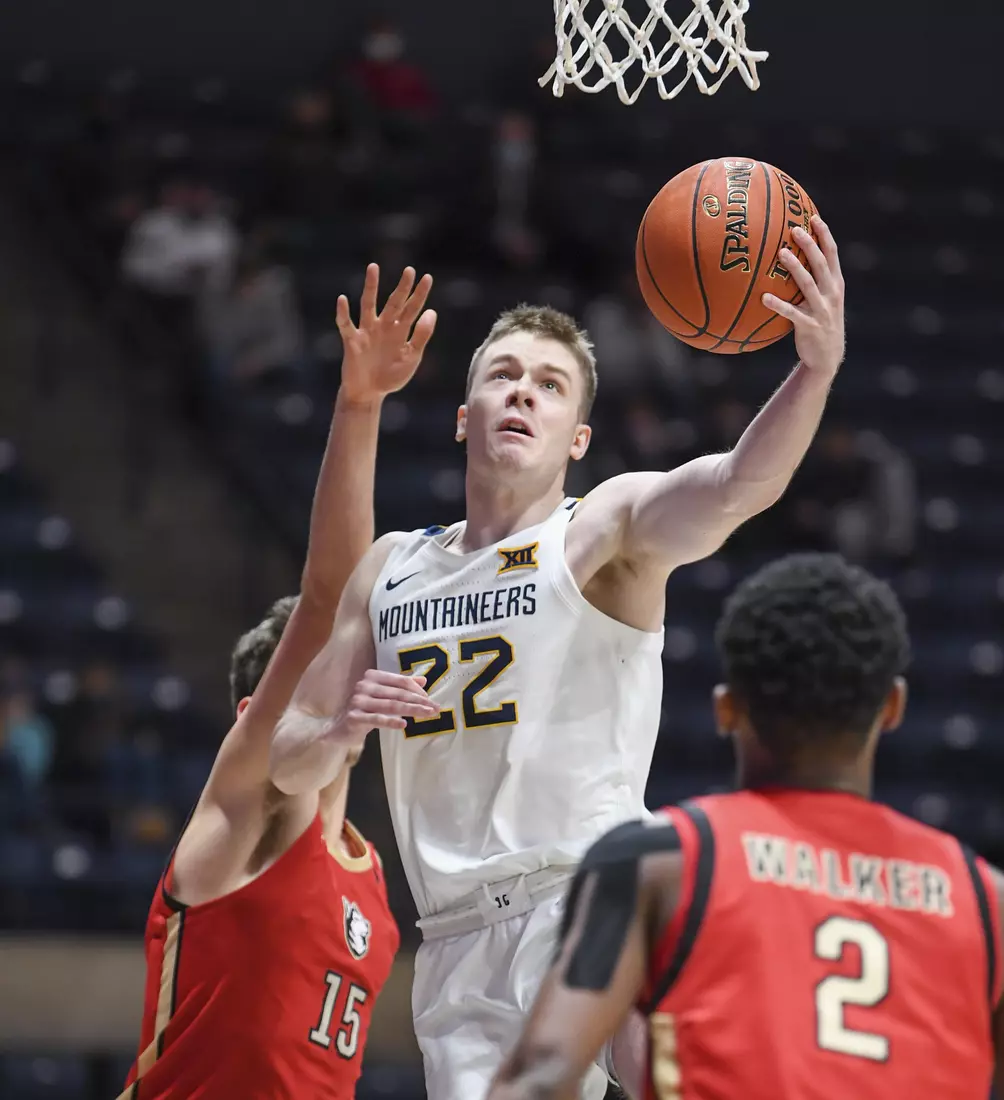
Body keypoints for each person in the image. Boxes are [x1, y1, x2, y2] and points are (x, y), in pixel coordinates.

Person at [269, 217, 848, 1100]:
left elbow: (737, 486)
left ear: (577, 438)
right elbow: (287, 755)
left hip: (596, 884)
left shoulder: (601, 529)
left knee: (690, 1066)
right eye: (503, 376)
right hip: (460, 939)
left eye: (549, 385)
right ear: (466, 418)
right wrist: (342, 728)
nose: (522, 394)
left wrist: (814, 371)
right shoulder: (391, 567)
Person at [487, 553, 1004, 1100]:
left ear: (726, 709)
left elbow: (538, 1079)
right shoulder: (983, 898)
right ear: (894, 706)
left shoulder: (659, 864)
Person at [118, 265, 437, 1100]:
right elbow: (333, 593)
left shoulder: (370, 869)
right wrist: (360, 404)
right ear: (253, 716)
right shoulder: (255, 803)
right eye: (314, 681)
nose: (340, 678)